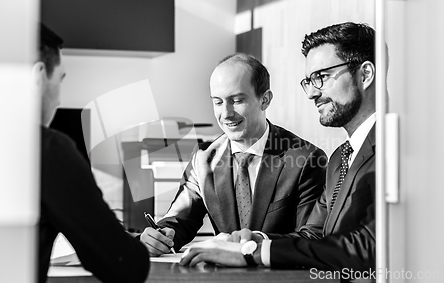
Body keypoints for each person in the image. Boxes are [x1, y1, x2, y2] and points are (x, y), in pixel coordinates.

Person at [180, 22, 378, 276]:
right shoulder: (340, 157)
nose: (311, 93)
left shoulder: (400, 149)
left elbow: (370, 247)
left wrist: (252, 253)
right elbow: (317, 236)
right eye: (309, 81)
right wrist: (255, 243)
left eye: (323, 77)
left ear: (365, 74)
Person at [140, 53, 327, 256]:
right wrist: (163, 235)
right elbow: (181, 218)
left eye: (236, 100)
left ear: (265, 100)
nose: (226, 114)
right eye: (218, 102)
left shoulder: (306, 159)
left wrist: (255, 243)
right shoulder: (204, 158)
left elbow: (311, 237)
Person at [36, 24, 149, 283]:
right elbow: (125, 266)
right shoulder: (48, 149)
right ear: (39, 77)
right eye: (60, 80)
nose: (58, 100)